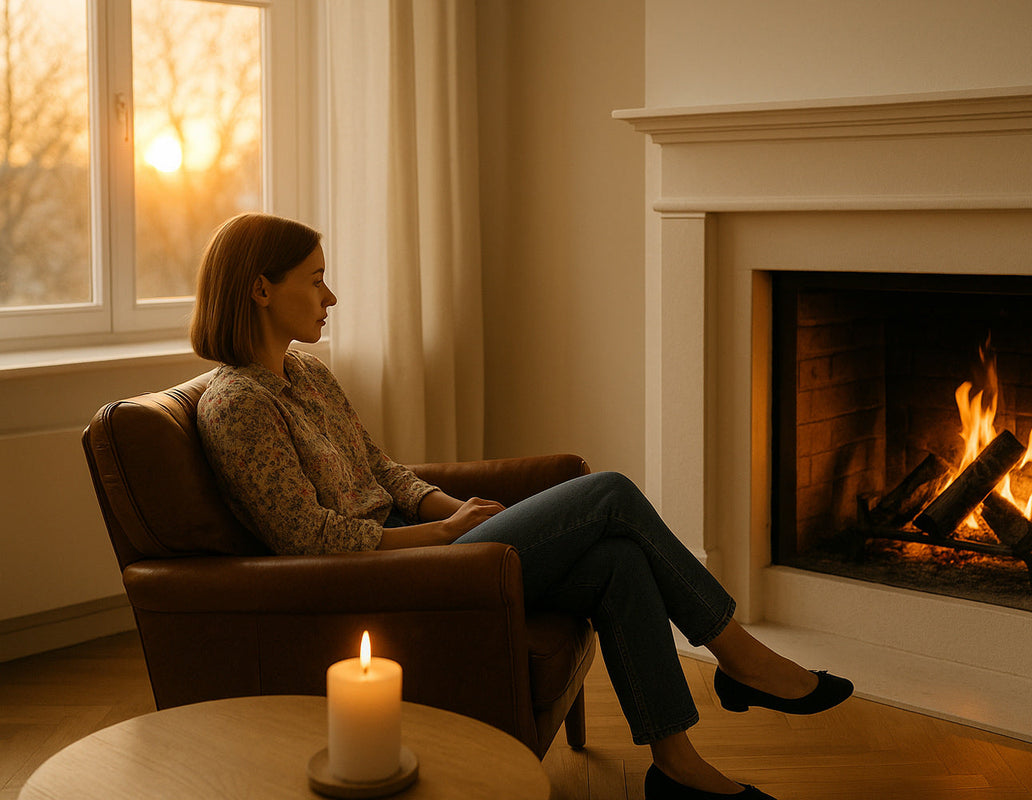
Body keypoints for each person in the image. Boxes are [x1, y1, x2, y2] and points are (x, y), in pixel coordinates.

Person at [191, 213, 853, 800]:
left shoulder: (306, 373)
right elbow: (309, 539)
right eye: (315, 279)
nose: (330, 296)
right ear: (261, 288)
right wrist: (445, 536)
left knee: (620, 559)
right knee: (612, 492)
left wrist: (450, 508)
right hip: (387, 579)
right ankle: (741, 660)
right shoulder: (239, 406)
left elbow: (384, 471)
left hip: (422, 547)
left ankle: (675, 765)